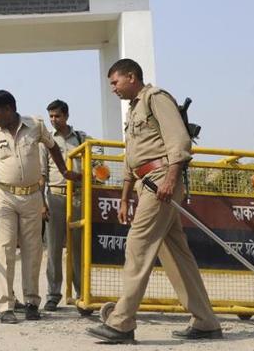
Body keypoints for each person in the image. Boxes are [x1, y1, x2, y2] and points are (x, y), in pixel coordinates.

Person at [87, 59, 222, 344]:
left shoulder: (156, 98)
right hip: (145, 182)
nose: (112, 88)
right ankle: (206, 321)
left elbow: (179, 141)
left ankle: (122, 322)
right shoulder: (134, 109)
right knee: (176, 255)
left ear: (131, 76)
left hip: (161, 179)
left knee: (138, 244)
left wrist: (171, 180)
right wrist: (124, 198)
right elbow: (131, 159)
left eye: (115, 82)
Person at [0, 90, 80, 324]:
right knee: (3, 248)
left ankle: (31, 303)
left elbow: (53, 148)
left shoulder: (35, 125)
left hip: (32, 197)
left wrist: (65, 171)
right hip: (4, 196)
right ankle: (5, 306)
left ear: (9, 109)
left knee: (32, 250)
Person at [40, 99, 88, 311]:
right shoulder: (47, 141)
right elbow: (41, 174)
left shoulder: (82, 139)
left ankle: (81, 295)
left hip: (78, 197)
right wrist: (42, 202)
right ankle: (53, 294)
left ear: (66, 116)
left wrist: (87, 175)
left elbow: (98, 166)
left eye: (57, 116)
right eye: (50, 116)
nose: (53, 120)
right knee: (53, 249)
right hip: (56, 197)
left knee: (78, 249)